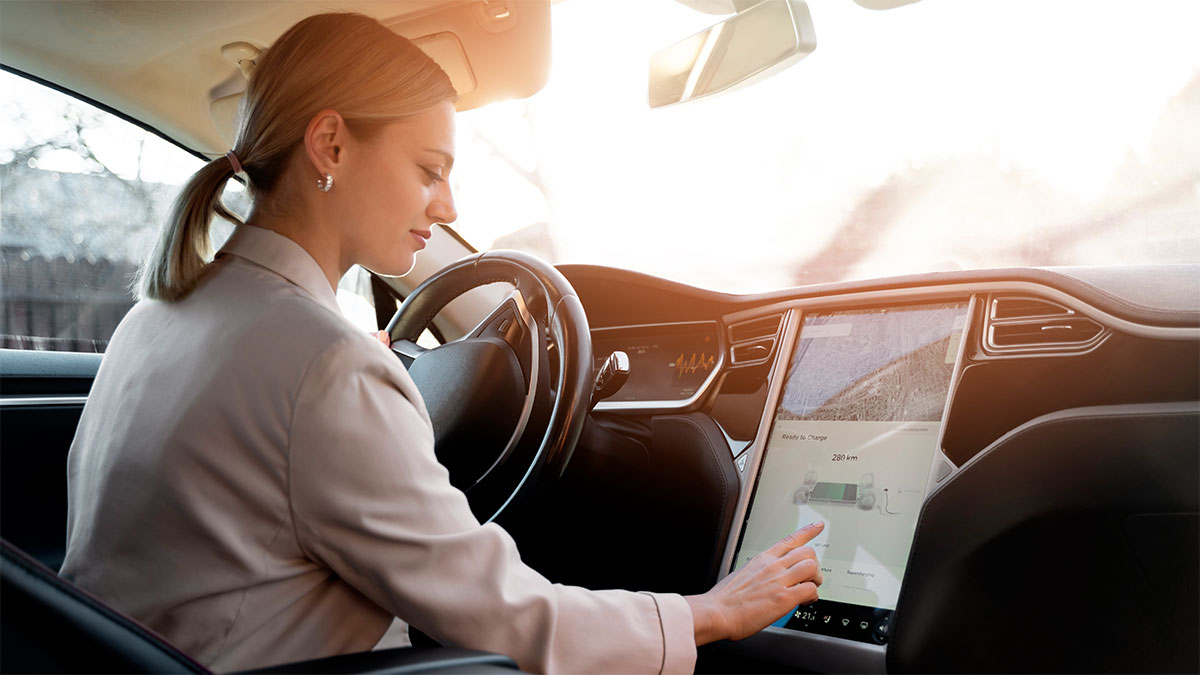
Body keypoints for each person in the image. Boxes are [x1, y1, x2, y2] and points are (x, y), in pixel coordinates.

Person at [60, 12, 825, 674]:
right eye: (429, 170)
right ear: (330, 144)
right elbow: (506, 617)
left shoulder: (154, 322)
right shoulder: (326, 366)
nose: (450, 202)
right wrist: (710, 612)